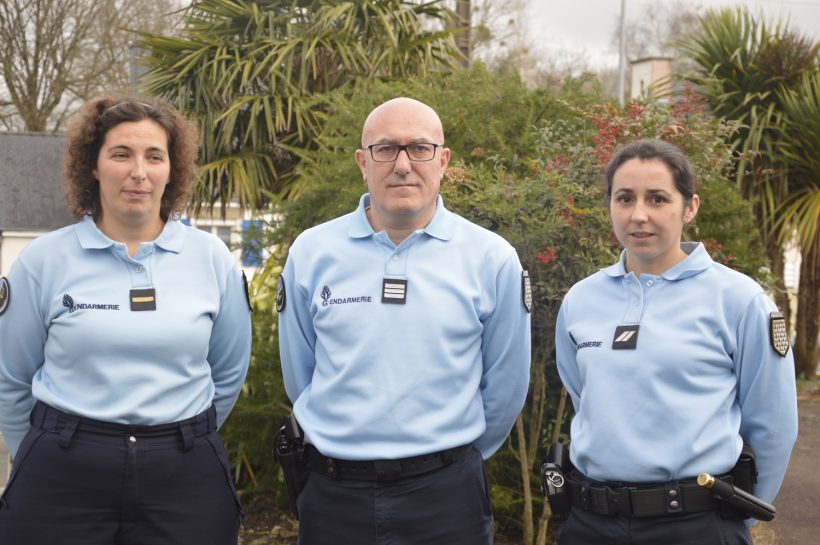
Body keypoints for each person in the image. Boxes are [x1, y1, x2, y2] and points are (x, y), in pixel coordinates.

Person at [277, 97, 531, 544]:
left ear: (443, 159)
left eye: (419, 148)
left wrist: (446, 458)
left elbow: (506, 388)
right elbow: (302, 377)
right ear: (362, 162)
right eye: (385, 149)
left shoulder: (491, 258)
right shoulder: (312, 253)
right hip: (335, 495)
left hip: (446, 498)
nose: (402, 164)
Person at [0, 96, 252, 545]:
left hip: (184, 476)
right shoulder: (43, 260)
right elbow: (11, 377)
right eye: (121, 154)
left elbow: (229, 372)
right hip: (62, 479)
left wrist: (180, 438)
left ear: (171, 169)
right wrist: (40, 455)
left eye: (154, 156)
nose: (139, 171)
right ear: (92, 166)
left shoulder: (211, 257)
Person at [553, 139, 798, 544]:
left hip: (696, 525)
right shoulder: (581, 299)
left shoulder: (738, 300)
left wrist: (740, 517)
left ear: (690, 207)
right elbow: (587, 399)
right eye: (625, 198)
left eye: (658, 199)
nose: (639, 215)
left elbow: (773, 425)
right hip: (590, 523)